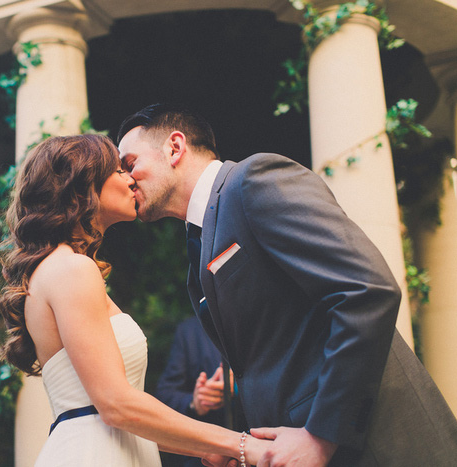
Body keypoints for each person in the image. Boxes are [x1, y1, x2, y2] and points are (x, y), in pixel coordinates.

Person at [117, 103, 457, 466]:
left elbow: (366, 291)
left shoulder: (255, 179)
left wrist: (323, 436)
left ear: (174, 147)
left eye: (130, 163)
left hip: (377, 447)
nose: (125, 178)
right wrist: (243, 446)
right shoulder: (199, 245)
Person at [0, 134, 270, 466]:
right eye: (118, 169)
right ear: (82, 186)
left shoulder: (61, 268)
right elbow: (116, 405)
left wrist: (206, 446)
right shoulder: (71, 268)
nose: (130, 179)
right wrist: (241, 444)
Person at [156, 316, 245, 467]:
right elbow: (164, 396)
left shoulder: (260, 320)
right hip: (206, 458)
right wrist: (195, 402)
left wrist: (239, 387)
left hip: (264, 449)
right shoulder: (189, 330)